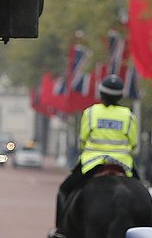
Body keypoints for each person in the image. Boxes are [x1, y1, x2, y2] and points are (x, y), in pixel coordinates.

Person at [55, 74, 139, 227]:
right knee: (142, 192)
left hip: (92, 163)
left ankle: (60, 231)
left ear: (101, 94)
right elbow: (134, 144)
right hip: (123, 164)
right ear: (120, 96)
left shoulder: (91, 113)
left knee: (64, 190)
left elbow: (83, 140)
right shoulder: (129, 116)